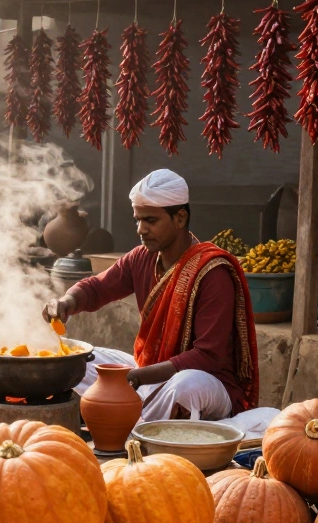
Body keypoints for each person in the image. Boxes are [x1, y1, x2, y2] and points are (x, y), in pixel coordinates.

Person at [44, 169, 259, 422]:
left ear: (180, 218)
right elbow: (97, 288)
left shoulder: (212, 273)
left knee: (186, 386)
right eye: (138, 220)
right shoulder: (142, 257)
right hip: (149, 371)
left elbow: (208, 356)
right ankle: (132, 414)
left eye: (150, 220)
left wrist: (136, 378)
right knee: (71, 357)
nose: (141, 229)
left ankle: (127, 423)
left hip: (206, 382)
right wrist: (67, 301)